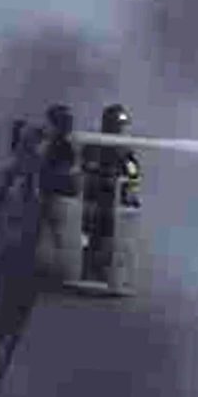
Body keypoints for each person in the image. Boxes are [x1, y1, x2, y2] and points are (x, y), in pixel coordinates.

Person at [80, 103, 140, 284]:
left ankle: (102, 270)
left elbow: (133, 172)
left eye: (122, 125)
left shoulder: (124, 150)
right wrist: (96, 175)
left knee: (109, 236)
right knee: (87, 235)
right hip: (93, 200)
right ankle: (85, 268)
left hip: (112, 202)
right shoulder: (94, 144)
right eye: (118, 124)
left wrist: (131, 191)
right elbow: (85, 166)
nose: (120, 128)